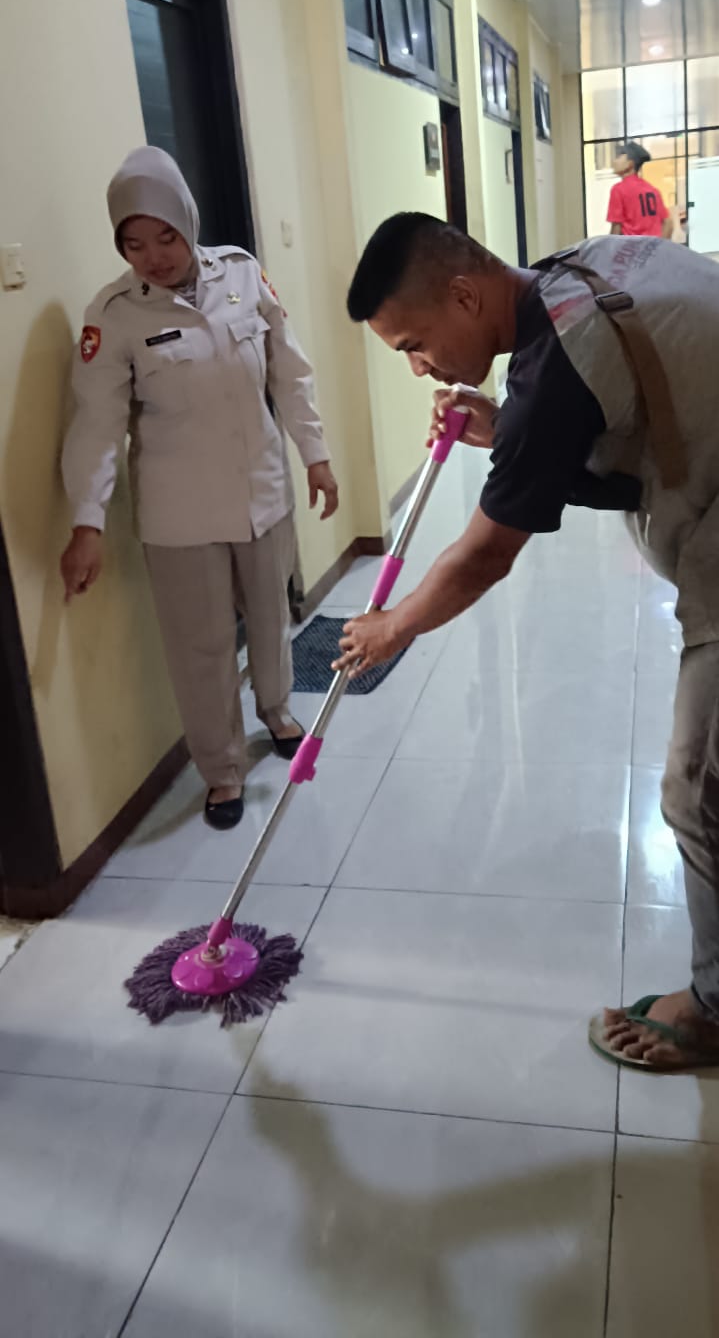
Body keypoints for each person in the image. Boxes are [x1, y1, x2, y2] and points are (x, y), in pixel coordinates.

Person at [335, 211, 719, 1072]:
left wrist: (392, 625)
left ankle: (713, 1011)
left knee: (697, 790)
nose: (418, 368)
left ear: (464, 295)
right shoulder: (575, 270)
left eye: (413, 344)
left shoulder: (553, 371)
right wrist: (508, 428)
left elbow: (482, 556)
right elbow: (617, 421)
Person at [61, 147, 338, 830]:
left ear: (187, 222)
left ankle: (277, 712)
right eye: (134, 244)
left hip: (262, 490)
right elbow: (96, 426)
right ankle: (221, 771)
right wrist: (86, 522)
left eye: (165, 236)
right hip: (180, 513)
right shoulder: (114, 315)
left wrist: (315, 455)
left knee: (270, 617)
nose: (153, 257)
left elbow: (290, 372)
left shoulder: (241, 273)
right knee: (202, 646)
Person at [607, 142, 672, 238]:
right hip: (653, 245)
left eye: (619, 157)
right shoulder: (653, 190)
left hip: (631, 245)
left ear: (630, 164)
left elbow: (616, 228)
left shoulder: (618, 189)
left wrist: (609, 246)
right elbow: (668, 223)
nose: (614, 161)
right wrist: (661, 244)